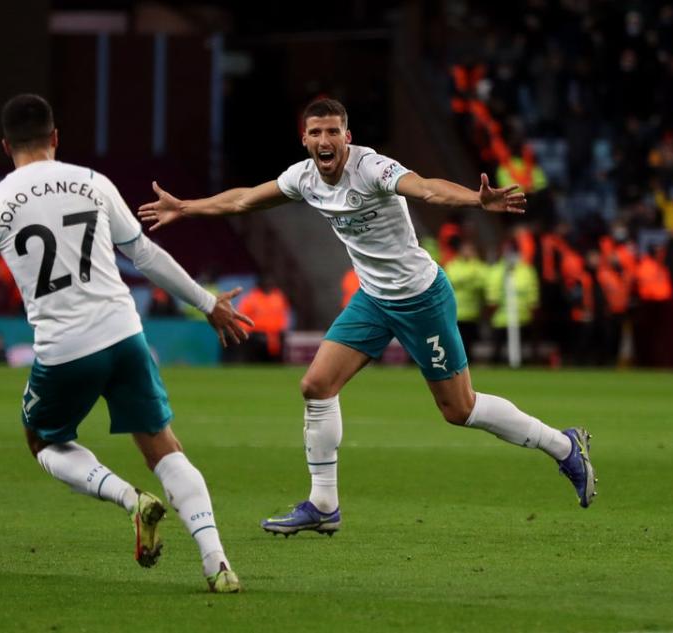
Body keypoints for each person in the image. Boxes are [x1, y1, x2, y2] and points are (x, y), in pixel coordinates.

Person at [139, 98, 596, 537]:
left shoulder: (372, 167)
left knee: (460, 409)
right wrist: (186, 207)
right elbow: (243, 201)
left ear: (347, 136)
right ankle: (323, 506)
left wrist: (476, 202)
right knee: (316, 385)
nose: (325, 139)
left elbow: (426, 187)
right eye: (316, 132)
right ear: (304, 139)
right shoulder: (303, 178)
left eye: (333, 132)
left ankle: (563, 446)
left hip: (421, 299)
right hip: (373, 300)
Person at [0, 94, 249, 593]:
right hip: (125, 335)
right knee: (164, 446)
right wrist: (207, 303)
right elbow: (147, 255)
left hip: (65, 349)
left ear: (6, 146)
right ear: (55, 137)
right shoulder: (94, 183)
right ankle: (217, 562)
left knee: (42, 439)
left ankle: (129, 500)